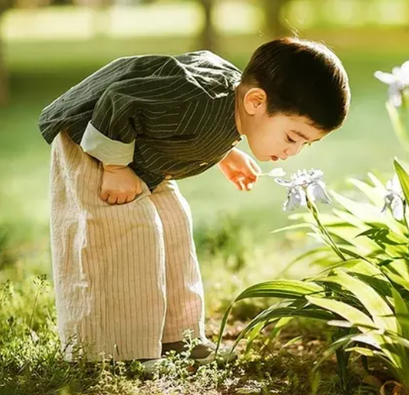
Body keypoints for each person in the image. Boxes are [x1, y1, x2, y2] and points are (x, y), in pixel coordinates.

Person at [37, 37, 350, 373]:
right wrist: (114, 167)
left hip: (144, 155)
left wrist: (225, 153)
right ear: (256, 102)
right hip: (94, 137)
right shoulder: (192, 99)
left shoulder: (234, 104)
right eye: (292, 137)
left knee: (173, 222)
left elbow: (191, 126)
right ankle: (114, 351)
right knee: (128, 230)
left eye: (305, 144)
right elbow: (120, 100)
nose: (292, 152)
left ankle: (179, 337)